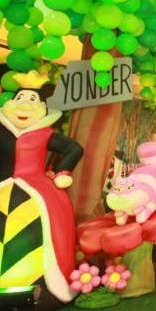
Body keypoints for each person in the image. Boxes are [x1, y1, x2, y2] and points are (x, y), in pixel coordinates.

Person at [0, 71, 83, 307]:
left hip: (36, 188)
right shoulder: (2, 132)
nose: (24, 105)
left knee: (47, 228)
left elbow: (74, 149)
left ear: (43, 108)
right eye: (20, 98)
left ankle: (42, 282)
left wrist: (62, 171)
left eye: (32, 99)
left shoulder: (45, 134)